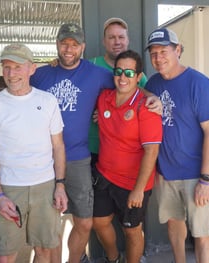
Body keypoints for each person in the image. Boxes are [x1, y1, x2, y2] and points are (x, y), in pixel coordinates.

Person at [30, 23, 161, 263]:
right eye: (64, 43)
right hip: (44, 159)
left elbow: (130, 87)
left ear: (83, 46)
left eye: (74, 44)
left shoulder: (97, 74)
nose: (69, 49)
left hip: (79, 158)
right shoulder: (40, 74)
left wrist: (153, 98)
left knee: (85, 221)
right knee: (50, 223)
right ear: (57, 45)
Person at [0, 43, 68, 263]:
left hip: (45, 186)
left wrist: (60, 185)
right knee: (5, 254)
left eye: (17, 67)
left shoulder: (47, 101)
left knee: (44, 250)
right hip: (9, 188)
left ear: (32, 69)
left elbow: (58, 146)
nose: (11, 73)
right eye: (6, 67)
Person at [145, 28, 209, 263]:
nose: (158, 57)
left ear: (178, 50)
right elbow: (136, 95)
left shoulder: (199, 84)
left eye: (164, 51)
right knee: (174, 223)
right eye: (154, 53)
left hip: (195, 174)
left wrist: (206, 179)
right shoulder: (153, 83)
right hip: (167, 173)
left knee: (203, 232)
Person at [92, 50, 162, 263]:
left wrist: (139, 189)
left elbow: (152, 151)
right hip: (104, 176)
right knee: (99, 222)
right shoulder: (104, 98)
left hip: (133, 183)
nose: (123, 77)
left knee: (131, 231)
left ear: (138, 76)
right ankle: (113, 258)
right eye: (119, 71)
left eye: (129, 73)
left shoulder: (146, 105)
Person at [88, 17, 148, 164]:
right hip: (92, 146)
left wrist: (154, 98)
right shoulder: (90, 66)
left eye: (121, 37)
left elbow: (146, 97)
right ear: (104, 41)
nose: (117, 42)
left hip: (122, 151)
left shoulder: (139, 74)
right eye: (111, 37)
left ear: (127, 40)